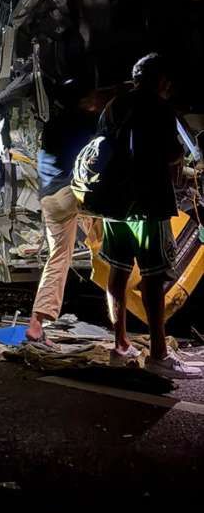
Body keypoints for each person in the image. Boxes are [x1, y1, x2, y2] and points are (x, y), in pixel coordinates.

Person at [98, 54, 198, 380]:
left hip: (114, 205)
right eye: (166, 80)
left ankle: (120, 345)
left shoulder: (112, 107)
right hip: (148, 203)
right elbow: (169, 154)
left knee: (119, 272)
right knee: (155, 277)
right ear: (160, 80)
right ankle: (158, 353)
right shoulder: (158, 107)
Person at [25, 80, 98, 345]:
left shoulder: (52, 124)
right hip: (71, 192)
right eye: (91, 98)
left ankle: (36, 324)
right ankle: (122, 306)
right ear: (82, 101)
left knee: (58, 259)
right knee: (110, 237)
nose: (94, 102)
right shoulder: (84, 120)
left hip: (49, 199)